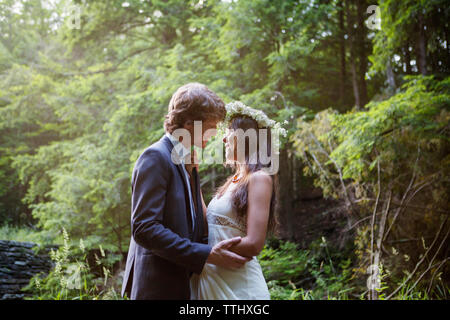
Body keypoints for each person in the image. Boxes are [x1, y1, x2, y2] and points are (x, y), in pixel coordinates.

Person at [121, 84, 250, 300]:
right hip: (157, 287)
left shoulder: (187, 161)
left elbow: (191, 223)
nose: (215, 133)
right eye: (210, 126)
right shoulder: (155, 157)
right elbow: (144, 228)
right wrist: (206, 254)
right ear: (189, 124)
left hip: (185, 286)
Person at [190, 101, 280, 300]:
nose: (223, 139)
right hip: (213, 279)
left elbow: (254, 243)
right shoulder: (232, 182)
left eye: (228, 131)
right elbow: (209, 223)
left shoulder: (260, 178)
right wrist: (193, 174)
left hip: (241, 288)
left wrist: (208, 254)